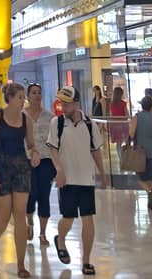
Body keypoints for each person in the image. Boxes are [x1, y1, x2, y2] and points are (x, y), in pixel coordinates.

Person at [46, 86, 105, 274]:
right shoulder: (57, 123)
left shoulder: (90, 124)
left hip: (86, 179)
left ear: (76, 103)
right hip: (67, 180)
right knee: (68, 218)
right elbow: (52, 149)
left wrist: (103, 173)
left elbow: (96, 150)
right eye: (62, 103)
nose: (63, 106)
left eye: (67, 103)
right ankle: (60, 239)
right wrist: (59, 170)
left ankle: (86, 261)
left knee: (88, 220)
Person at [0, 81, 38, 276]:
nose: (22, 101)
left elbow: (31, 144)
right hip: (1, 169)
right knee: (4, 216)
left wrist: (34, 153)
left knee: (20, 216)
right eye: (19, 97)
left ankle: (21, 264)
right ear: (9, 98)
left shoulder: (26, 120)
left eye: (24, 97)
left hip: (21, 168)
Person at [23, 84, 56, 248]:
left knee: (44, 196)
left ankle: (43, 233)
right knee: (30, 194)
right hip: (27, 161)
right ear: (28, 96)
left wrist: (58, 165)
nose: (36, 95)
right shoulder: (21, 116)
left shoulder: (50, 117)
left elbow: (55, 142)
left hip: (46, 161)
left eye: (39, 93)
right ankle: (30, 222)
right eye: (33, 93)